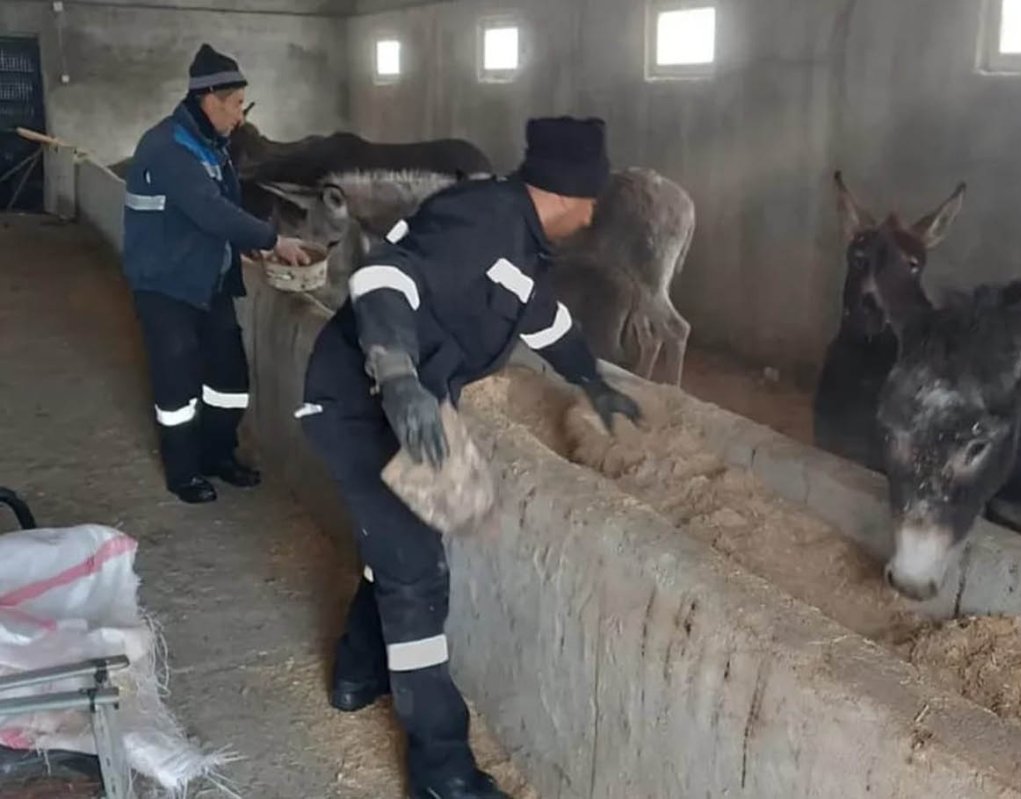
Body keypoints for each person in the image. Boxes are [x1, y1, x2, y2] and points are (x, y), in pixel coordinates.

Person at [298, 117, 640, 799]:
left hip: (414, 405)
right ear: (571, 194)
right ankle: (442, 771)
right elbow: (383, 279)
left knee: (405, 551)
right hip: (363, 401)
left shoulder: (522, 243)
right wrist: (397, 376)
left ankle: (357, 671)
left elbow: (539, 316)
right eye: (595, 198)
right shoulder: (482, 218)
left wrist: (592, 378)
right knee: (418, 575)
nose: (597, 211)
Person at [122, 44, 309, 504]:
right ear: (211, 100)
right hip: (166, 285)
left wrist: (243, 248)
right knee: (177, 386)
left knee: (228, 378)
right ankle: (183, 471)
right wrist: (272, 240)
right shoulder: (167, 148)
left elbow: (226, 207)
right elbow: (209, 211)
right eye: (237, 106)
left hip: (207, 278)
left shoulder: (211, 146)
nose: (241, 117)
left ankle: (217, 455)